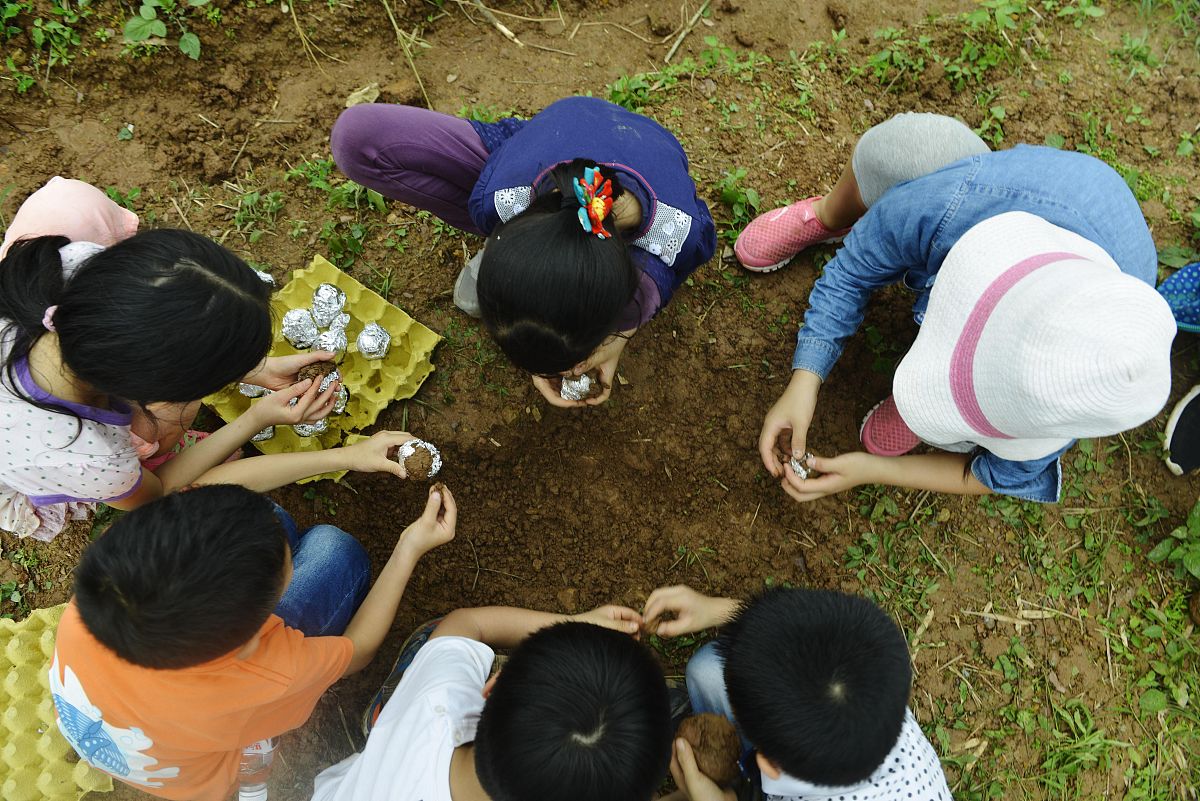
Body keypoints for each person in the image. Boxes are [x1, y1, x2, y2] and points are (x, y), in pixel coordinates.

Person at [742, 113, 1175, 504]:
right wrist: (805, 379)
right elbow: (855, 268)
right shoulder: (957, 203)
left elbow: (992, 474)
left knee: (958, 435)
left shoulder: (1084, 380)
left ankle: (930, 414)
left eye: (972, 397)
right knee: (903, 150)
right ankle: (828, 214)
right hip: (1009, 194)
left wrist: (873, 470)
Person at [49, 480, 456, 801]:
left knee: (265, 518)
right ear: (250, 639)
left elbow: (210, 500)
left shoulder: (108, 593)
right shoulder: (266, 674)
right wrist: (408, 548)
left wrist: (346, 456)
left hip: (142, 736)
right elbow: (360, 650)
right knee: (334, 550)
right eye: (285, 577)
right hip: (211, 771)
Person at [0, 177, 344, 540]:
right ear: (144, 389)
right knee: (162, 425)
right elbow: (157, 490)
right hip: (24, 467)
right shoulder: (87, 455)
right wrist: (257, 416)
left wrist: (259, 370)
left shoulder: (74, 269)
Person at [331, 96, 716, 408]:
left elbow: (670, 272)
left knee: (642, 292)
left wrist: (619, 337)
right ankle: (524, 246)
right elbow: (357, 134)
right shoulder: (496, 199)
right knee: (356, 140)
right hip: (540, 144)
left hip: (640, 150)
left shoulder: (677, 236)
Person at [309, 602, 672, 801]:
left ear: (492, 687)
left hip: (369, 777)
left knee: (432, 642)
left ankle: (384, 717)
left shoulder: (439, 700)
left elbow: (468, 623)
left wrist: (575, 622)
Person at [644, 585, 951, 801]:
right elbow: (806, 633)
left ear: (766, 765)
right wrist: (717, 611)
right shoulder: (871, 683)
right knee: (709, 670)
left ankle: (739, 786)